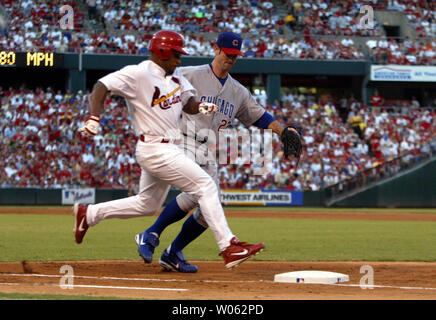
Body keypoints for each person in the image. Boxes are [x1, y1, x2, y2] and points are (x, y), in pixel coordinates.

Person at [74, 30, 265, 270]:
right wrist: (94, 117)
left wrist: (202, 108)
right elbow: (102, 86)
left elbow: (189, 105)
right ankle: (229, 246)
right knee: (205, 186)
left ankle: (89, 214)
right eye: (175, 55)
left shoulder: (177, 80)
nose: (179, 60)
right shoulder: (138, 73)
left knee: (147, 204)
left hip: (169, 146)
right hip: (156, 147)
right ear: (162, 52)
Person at [135, 31, 302, 273]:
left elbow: (259, 116)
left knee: (208, 210)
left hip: (207, 149)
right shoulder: (191, 73)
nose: (231, 59)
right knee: (199, 192)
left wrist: (281, 130)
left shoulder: (237, 91)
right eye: (227, 53)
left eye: (235, 55)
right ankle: (151, 233)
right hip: (181, 140)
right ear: (216, 49)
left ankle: (172, 253)